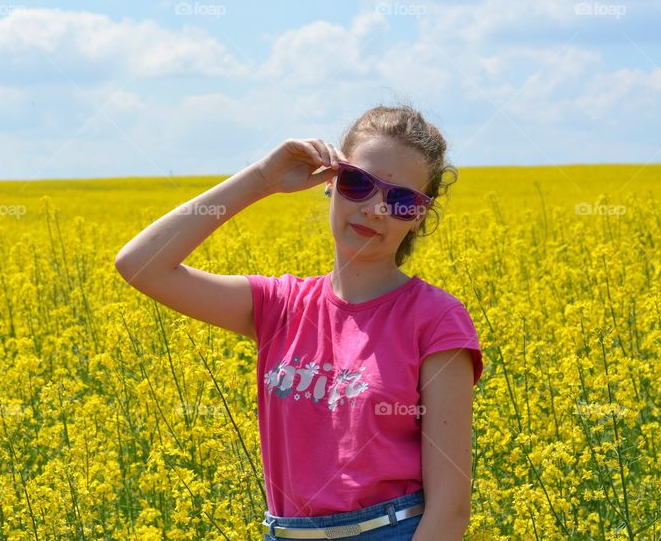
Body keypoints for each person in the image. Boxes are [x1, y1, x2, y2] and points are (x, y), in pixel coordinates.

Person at [114, 104, 484, 541]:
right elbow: (140, 265)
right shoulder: (281, 305)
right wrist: (262, 180)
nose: (375, 208)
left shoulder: (436, 320)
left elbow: (450, 508)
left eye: (402, 200)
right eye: (358, 183)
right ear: (332, 183)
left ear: (419, 216)